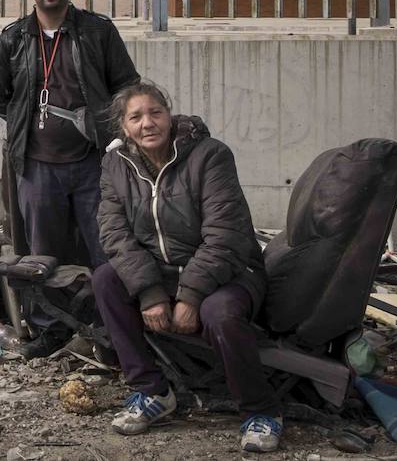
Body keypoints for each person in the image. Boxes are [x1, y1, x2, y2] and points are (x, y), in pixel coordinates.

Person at [93, 80, 282, 453]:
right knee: (106, 280)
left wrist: (191, 295)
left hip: (230, 269)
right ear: (124, 127)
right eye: (136, 117)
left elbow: (225, 236)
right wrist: (149, 292)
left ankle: (261, 409)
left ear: (170, 115)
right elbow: (114, 232)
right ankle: (152, 391)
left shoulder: (210, 155)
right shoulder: (115, 165)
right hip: (161, 270)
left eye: (155, 112)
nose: (148, 123)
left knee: (220, 312)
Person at [0, 0, 139, 357]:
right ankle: (50, 329)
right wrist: (28, 124)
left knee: (106, 247)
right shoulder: (14, 38)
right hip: (36, 167)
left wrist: (104, 126)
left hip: (94, 164)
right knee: (40, 252)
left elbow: (127, 86)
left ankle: (114, 329)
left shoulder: (97, 33)